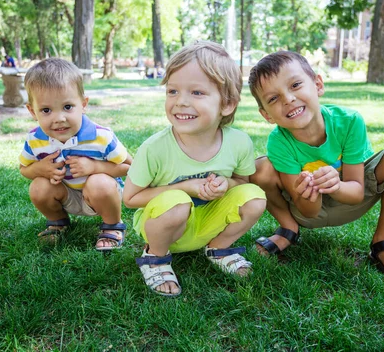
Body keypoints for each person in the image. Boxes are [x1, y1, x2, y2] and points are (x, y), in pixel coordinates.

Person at [249, 51, 384, 288]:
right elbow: (308, 212)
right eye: (273, 99)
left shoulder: (349, 121)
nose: (288, 99)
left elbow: (357, 192)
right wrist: (309, 191)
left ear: (318, 84)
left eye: (296, 85)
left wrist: (336, 185)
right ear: (266, 115)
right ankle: (288, 229)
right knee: (260, 168)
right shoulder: (279, 141)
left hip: (350, 195)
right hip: (308, 210)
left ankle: (382, 244)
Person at [123, 41, 267, 296]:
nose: (180, 102)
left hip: (208, 223)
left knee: (254, 197)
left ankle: (218, 247)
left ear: (227, 104)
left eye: (197, 93)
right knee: (178, 201)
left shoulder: (238, 142)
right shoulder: (155, 148)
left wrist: (227, 184)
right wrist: (184, 188)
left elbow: (242, 184)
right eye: (173, 91)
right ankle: (155, 257)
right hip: (164, 227)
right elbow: (130, 198)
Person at [19, 58, 132, 250]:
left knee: (99, 182)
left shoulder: (100, 136)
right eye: (46, 110)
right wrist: (40, 169)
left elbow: (131, 167)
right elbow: (24, 169)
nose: (59, 118)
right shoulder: (35, 139)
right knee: (38, 187)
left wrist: (95, 167)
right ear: (32, 111)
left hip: (103, 195)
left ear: (83, 104)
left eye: (68, 107)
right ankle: (58, 222)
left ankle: (112, 225)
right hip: (66, 194)